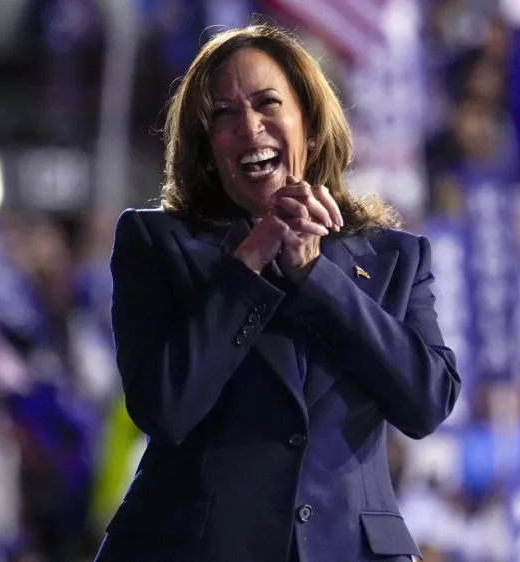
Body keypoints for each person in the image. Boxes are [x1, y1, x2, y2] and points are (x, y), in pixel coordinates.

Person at [95, 25, 461, 562]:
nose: (248, 127)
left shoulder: (395, 259)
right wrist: (250, 261)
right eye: (223, 114)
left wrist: (316, 276)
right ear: (207, 148)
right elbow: (165, 408)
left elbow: (427, 402)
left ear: (309, 126)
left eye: (268, 103)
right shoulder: (156, 243)